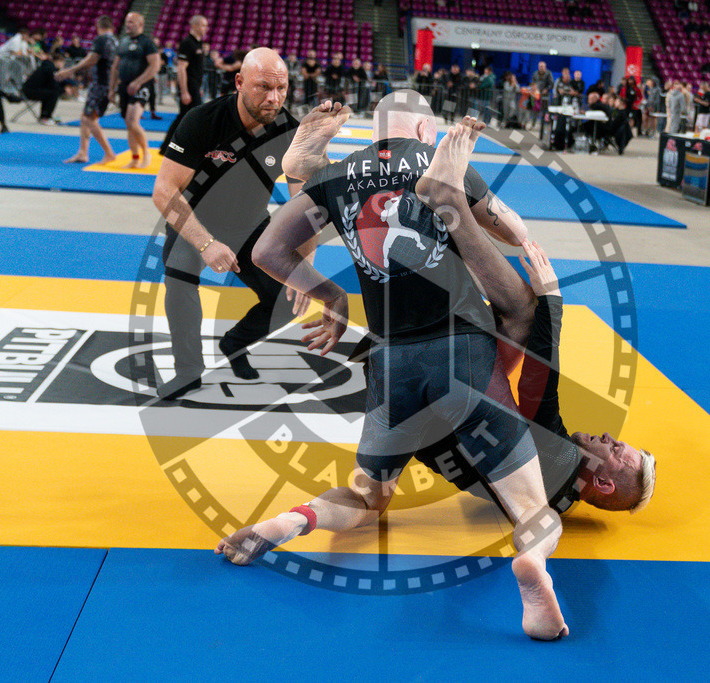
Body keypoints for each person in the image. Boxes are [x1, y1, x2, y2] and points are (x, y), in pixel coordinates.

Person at [237, 106, 654, 640]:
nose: (611, 439)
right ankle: (532, 563)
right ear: (422, 131)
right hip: (454, 374)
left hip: (396, 364)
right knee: (531, 510)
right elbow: (515, 233)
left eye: (619, 452)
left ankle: (294, 520)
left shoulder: (565, 463)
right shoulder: (554, 472)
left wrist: (552, 300)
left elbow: (268, 250)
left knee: (368, 497)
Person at [151, 48, 309, 397]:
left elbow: (305, 204)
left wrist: (305, 265)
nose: (273, 98)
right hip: (194, 221)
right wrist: (206, 244)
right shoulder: (202, 120)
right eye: (263, 87)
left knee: (288, 298)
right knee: (179, 282)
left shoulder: (290, 131)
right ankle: (189, 371)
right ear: (239, 82)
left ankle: (234, 343)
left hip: (250, 224)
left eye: (281, 88)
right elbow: (164, 190)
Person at [56, 15, 118, 164]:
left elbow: (92, 59)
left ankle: (109, 152)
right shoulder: (116, 41)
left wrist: (70, 70)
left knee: (89, 119)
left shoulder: (101, 39)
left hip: (101, 84)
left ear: (98, 27)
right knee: (85, 117)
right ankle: (83, 152)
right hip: (108, 83)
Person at [109, 12, 160, 169]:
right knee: (129, 123)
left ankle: (146, 153)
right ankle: (135, 157)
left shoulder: (147, 43)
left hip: (141, 86)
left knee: (132, 121)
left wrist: (138, 82)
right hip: (124, 86)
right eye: (126, 21)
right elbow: (115, 67)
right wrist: (111, 89)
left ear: (140, 24)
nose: (127, 25)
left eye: (131, 22)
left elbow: (155, 66)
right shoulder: (123, 42)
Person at [159, 15, 208, 156]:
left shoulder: (198, 43)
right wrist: (184, 91)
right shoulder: (187, 43)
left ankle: (167, 147)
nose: (206, 29)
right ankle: (170, 147)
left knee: (185, 117)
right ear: (195, 26)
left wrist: (198, 88)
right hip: (188, 85)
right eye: (203, 25)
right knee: (193, 117)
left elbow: (196, 68)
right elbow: (181, 69)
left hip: (194, 86)